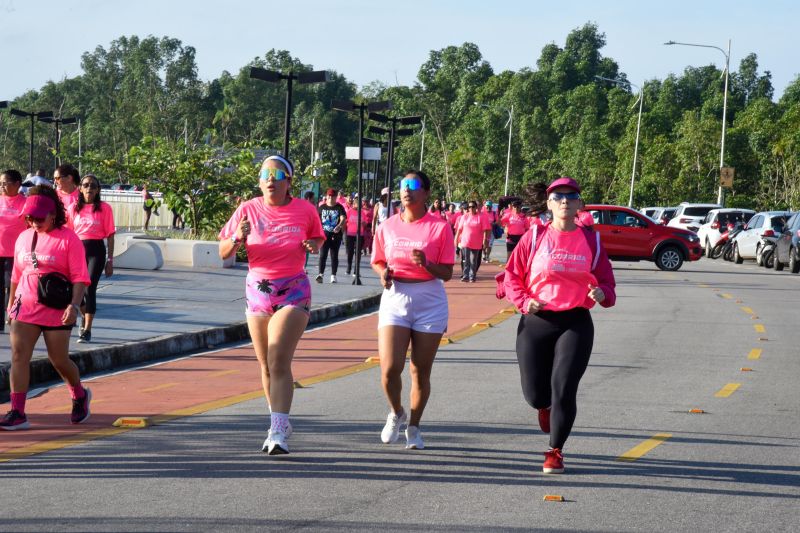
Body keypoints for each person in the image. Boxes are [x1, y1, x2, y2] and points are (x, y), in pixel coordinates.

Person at [502, 177, 616, 474]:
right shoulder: (534, 237)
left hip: (575, 322)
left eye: (571, 196)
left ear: (579, 204)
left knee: (564, 387)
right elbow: (512, 276)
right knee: (535, 394)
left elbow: (608, 283)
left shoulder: (592, 241)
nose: (565, 201)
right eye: (558, 197)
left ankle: (555, 451)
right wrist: (524, 301)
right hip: (537, 320)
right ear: (549, 204)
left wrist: (602, 292)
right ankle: (545, 407)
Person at [218, 155, 324, 454]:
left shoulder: (305, 209)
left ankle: (277, 432)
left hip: (293, 290)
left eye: (276, 175)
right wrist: (237, 237)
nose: (270, 180)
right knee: (265, 364)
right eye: (265, 175)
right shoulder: (247, 209)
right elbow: (223, 252)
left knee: (278, 359)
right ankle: (279, 418)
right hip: (257, 291)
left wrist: (313, 245)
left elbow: (318, 238)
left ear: (288, 182)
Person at [371, 170, 455, 449]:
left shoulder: (440, 227)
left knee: (420, 370)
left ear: (426, 192)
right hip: (395, 296)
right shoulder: (387, 226)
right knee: (390, 369)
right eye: (403, 185)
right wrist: (383, 273)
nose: (407, 190)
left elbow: (447, 273)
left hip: (429, 299)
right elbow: (378, 261)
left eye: (414, 185)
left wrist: (426, 263)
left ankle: (415, 427)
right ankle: (396, 412)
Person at [1, 186, 91, 430]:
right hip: (25, 306)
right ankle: (18, 411)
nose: (34, 222)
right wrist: (10, 305)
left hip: (57, 307)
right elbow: (16, 275)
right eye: (30, 217)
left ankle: (79, 395)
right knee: (18, 356)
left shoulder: (69, 239)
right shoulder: (23, 237)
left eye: (39, 218)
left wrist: (74, 306)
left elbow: (80, 278)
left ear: (53, 214)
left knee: (58, 360)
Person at [70, 174, 115, 343]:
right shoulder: (73, 208)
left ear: (98, 190)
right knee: (75, 289)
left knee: (89, 289)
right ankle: (85, 315)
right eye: (86, 185)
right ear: (80, 188)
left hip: (96, 250)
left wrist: (110, 260)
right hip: (76, 250)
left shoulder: (105, 208)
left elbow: (110, 235)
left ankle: (87, 330)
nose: (89, 188)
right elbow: (67, 233)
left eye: (93, 186)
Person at [1, 170, 27, 332]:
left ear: (17, 184)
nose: (2, 186)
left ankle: (13, 316)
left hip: (16, 254)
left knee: (13, 288)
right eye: (0, 183)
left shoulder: (25, 203)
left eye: (5, 183)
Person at [454, 201, 491, 282]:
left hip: (476, 242)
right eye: (469, 207)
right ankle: (465, 276)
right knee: (466, 259)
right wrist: (456, 238)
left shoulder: (481, 217)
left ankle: (472, 276)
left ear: (476, 207)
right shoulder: (464, 217)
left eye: (473, 207)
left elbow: (485, 230)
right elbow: (459, 229)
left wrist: (485, 240)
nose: (471, 208)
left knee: (473, 260)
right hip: (465, 241)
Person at [316, 188, 346, 284]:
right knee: (323, 255)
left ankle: (333, 275)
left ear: (336, 197)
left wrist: (339, 226)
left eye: (333, 196)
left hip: (335, 235)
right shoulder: (322, 207)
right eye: (329, 196)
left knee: (334, 255)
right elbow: (317, 220)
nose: (330, 198)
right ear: (326, 196)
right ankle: (320, 274)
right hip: (324, 235)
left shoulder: (339, 207)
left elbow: (343, 218)